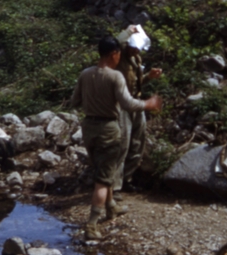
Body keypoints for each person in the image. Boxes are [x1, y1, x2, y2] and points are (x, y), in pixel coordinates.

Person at [68, 36, 162, 239]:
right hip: (108, 128)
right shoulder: (115, 76)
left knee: (103, 168)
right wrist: (148, 104)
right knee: (103, 179)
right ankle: (92, 225)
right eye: (119, 53)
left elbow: (74, 101)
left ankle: (111, 206)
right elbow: (128, 103)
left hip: (88, 128)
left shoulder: (85, 74)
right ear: (114, 54)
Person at [116, 25, 163, 189]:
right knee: (123, 143)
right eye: (133, 48)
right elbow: (116, 42)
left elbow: (137, 84)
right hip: (122, 105)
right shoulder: (119, 56)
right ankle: (114, 185)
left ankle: (126, 179)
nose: (136, 52)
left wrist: (149, 76)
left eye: (138, 49)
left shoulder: (137, 60)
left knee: (137, 143)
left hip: (136, 104)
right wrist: (128, 31)